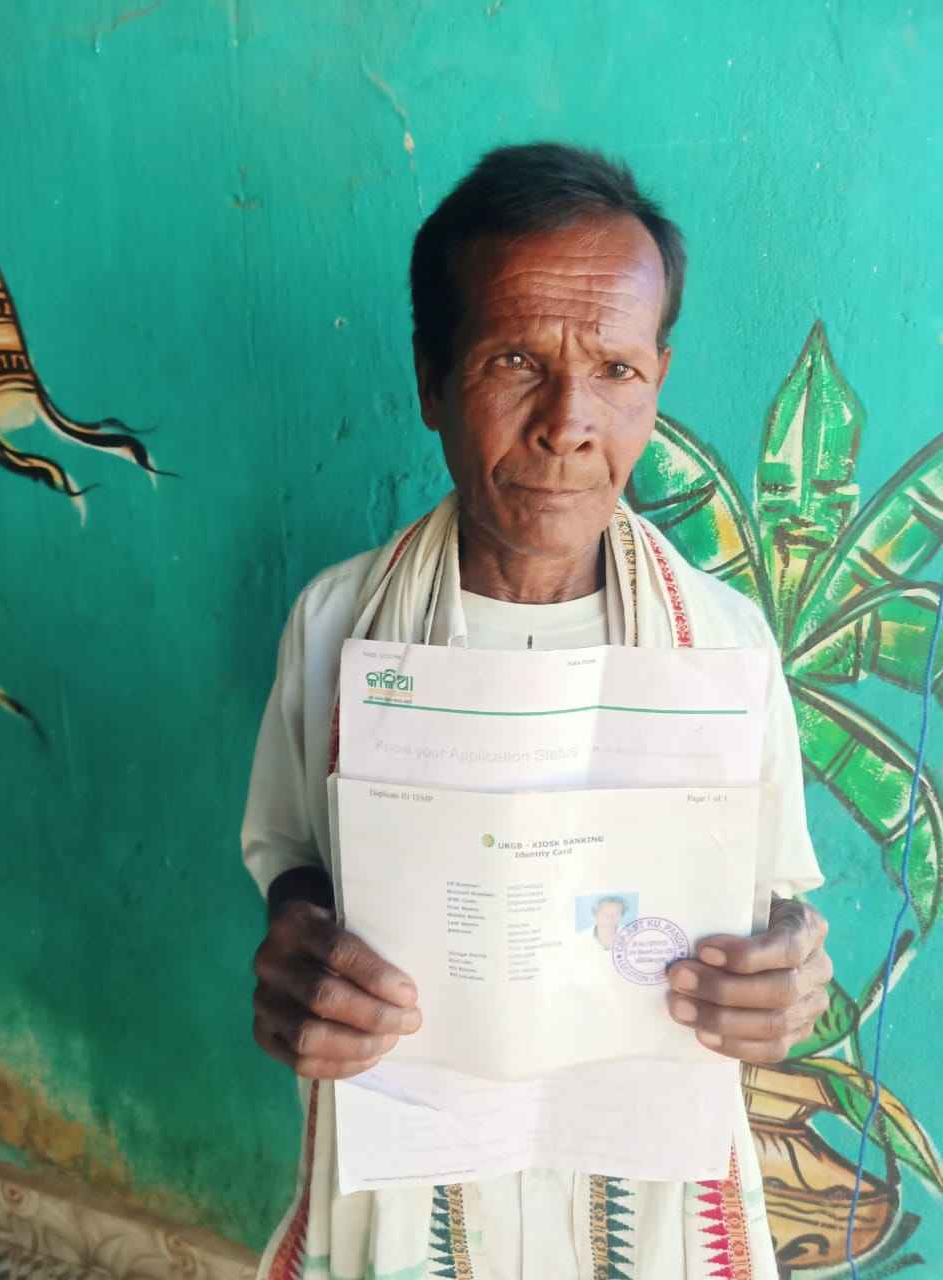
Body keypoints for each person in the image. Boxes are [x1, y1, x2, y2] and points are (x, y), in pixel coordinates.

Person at [242, 142, 830, 1280]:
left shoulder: (725, 646)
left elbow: (776, 903)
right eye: (516, 359)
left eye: (615, 368)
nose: (569, 422)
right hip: (413, 1183)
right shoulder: (337, 625)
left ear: (658, 380)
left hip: (648, 1197)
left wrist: (788, 973)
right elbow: (292, 855)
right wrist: (306, 949)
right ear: (431, 379)